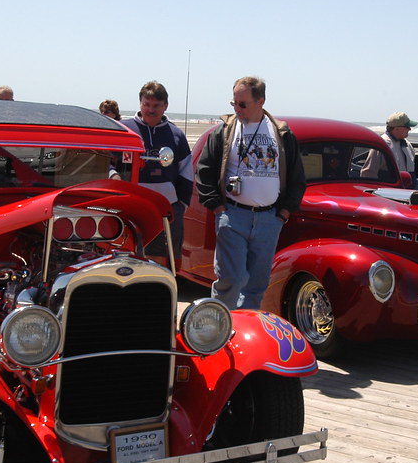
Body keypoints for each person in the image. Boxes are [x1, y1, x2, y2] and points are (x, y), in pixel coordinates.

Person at [195, 76, 306, 309]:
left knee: (257, 284)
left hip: (269, 219)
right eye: (234, 103)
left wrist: (283, 213)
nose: (237, 109)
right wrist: (218, 207)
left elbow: (297, 177)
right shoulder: (225, 131)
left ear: (260, 101)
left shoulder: (282, 133)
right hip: (233, 215)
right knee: (231, 280)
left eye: (242, 104)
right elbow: (204, 170)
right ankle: (219, 329)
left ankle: (245, 332)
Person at [121, 81, 193, 261]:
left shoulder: (176, 135)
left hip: (167, 209)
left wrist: (181, 206)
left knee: (162, 259)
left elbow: (186, 172)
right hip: (130, 209)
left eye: (156, 106)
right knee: (128, 257)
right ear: (140, 104)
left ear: (165, 106)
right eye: (146, 104)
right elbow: (108, 163)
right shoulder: (125, 130)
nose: (151, 110)